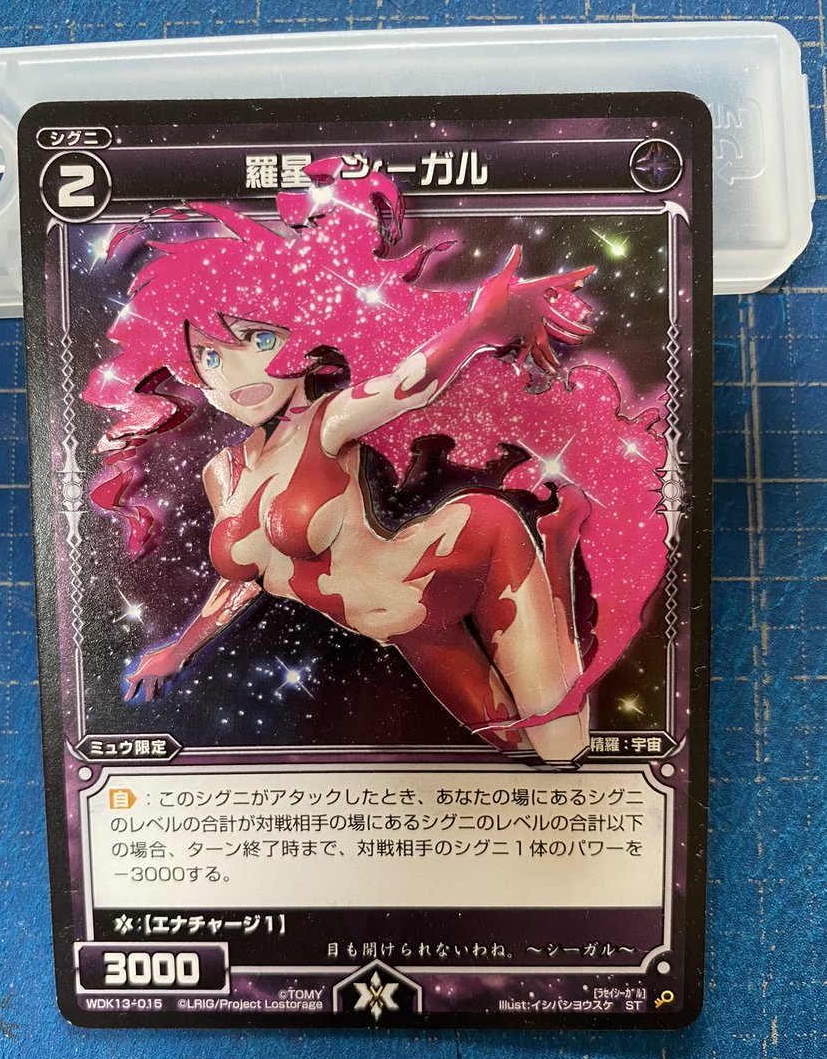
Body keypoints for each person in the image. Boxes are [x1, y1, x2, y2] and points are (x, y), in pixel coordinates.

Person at [83, 157, 662, 764]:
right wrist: (180, 649)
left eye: (261, 339)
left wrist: (476, 327)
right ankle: (559, 547)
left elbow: (409, 385)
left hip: (461, 554)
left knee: (562, 749)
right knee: (516, 750)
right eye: (210, 355)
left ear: (302, 336)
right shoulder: (222, 473)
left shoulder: (327, 421)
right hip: (408, 628)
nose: (239, 373)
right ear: (187, 368)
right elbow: (245, 578)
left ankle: (555, 546)